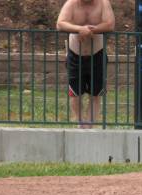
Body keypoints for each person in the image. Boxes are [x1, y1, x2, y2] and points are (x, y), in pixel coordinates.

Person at [56, 0, 115, 128]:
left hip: (97, 55)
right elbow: (60, 24)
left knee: (95, 94)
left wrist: (91, 30)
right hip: (75, 56)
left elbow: (110, 24)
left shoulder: (103, 3)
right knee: (75, 94)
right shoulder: (71, 4)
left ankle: (90, 124)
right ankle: (81, 122)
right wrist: (79, 29)